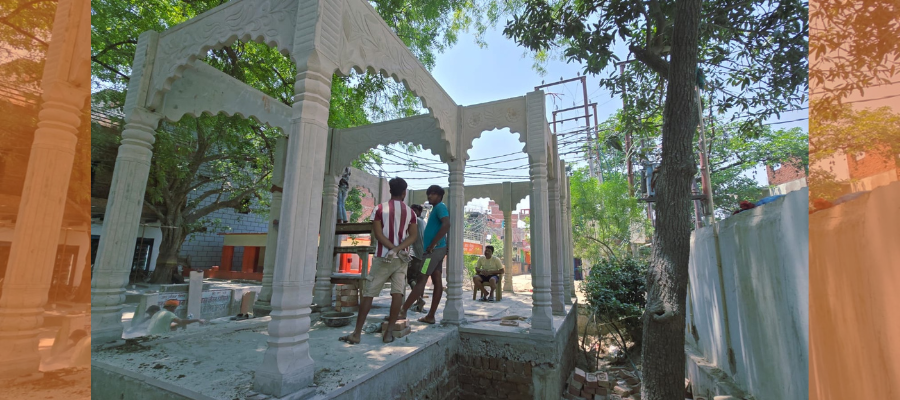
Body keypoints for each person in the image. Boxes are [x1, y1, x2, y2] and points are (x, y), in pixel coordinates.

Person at [339, 177, 418, 345]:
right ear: (404, 192)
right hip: (401, 259)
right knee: (397, 294)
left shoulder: (379, 209)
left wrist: (391, 249)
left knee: (369, 293)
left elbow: (378, 235)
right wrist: (398, 249)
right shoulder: (410, 212)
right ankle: (388, 333)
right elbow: (413, 236)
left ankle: (357, 333)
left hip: (383, 257)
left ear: (390, 190)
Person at [399, 185, 451, 325]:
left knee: (422, 277)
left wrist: (433, 244)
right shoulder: (436, 209)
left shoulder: (440, 207)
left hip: (432, 252)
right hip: (435, 251)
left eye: (433, 194)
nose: (429, 196)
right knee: (437, 280)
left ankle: (403, 310)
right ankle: (431, 316)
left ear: (440, 196)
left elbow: (446, 224)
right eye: (429, 194)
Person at [405, 204, 428, 313]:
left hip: (418, 256)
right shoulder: (423, 222)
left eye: (414, 211)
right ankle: (420, 305)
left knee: (411, 278)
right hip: (427, 257)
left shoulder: (415, 221)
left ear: (419, 212)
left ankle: (419, 299)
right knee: (421, 280)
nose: (412, 213)